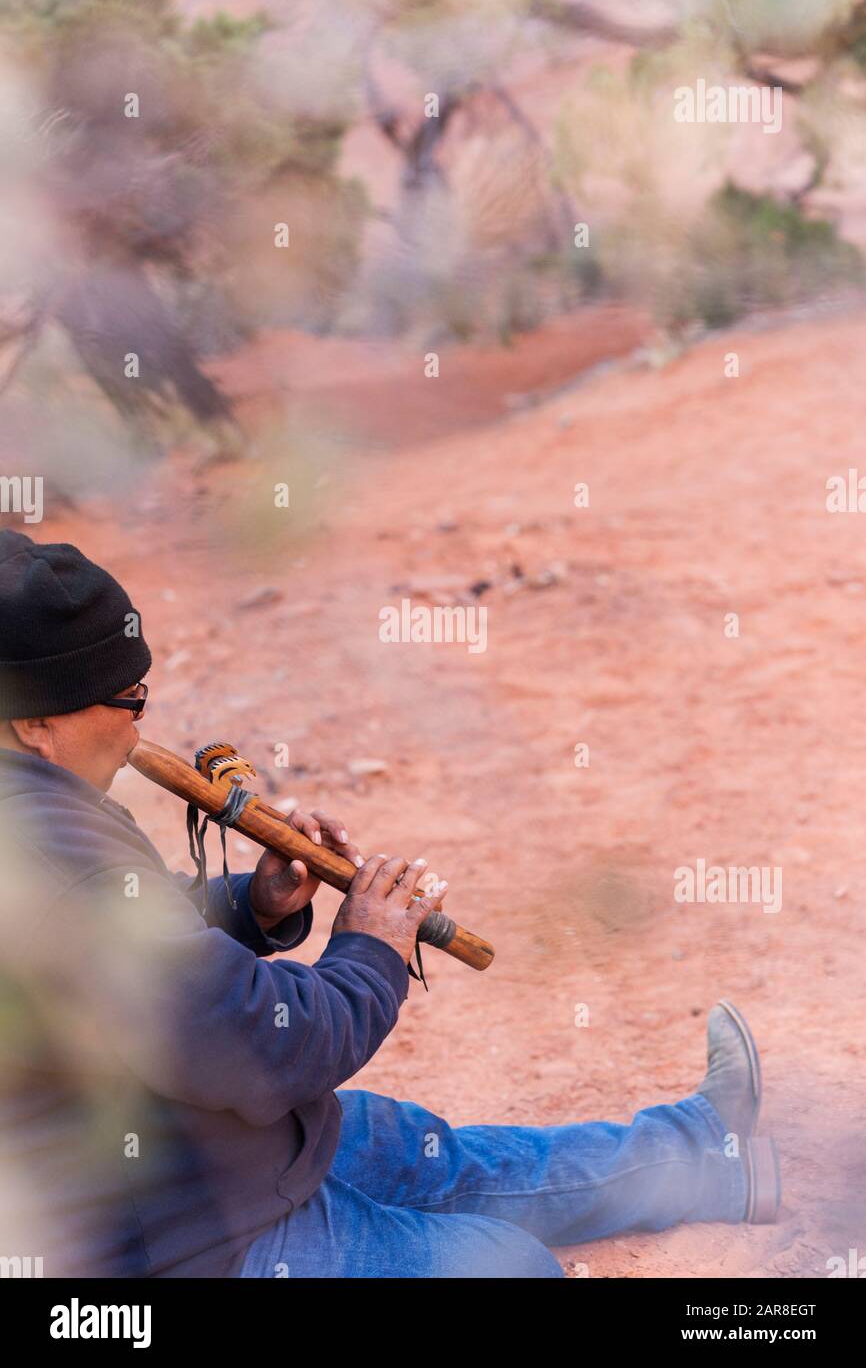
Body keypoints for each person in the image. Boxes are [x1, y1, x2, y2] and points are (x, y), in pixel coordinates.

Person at [0, 531, 780, 1278]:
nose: (143, 719)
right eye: (128, 697)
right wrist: (370, 948)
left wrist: (254, 904)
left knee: (425, 1154)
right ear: (37, 721)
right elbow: (259, 1047)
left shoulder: (38, 810)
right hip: (181, 1238)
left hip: (203, 1152)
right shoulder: (43, 851)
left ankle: (707, 1157)